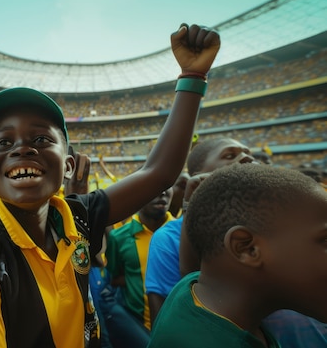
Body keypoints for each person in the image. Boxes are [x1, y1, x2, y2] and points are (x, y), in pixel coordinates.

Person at [0, 23, 221, 347]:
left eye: (40, 138)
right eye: (4, 142)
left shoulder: (76, 216)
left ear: (67, 166)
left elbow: (159, 173)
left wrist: (192, 77)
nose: (22, 148)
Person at [148, 164, 327, 347]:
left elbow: (190, 267)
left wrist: (190, 204)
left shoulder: (194, 289)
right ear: (247, 249)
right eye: (324, 241)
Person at [145, 137, 256, 326]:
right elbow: (163, 322)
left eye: (249, 153)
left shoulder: (271, 224)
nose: (246, 158)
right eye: (230, 155)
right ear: (198, 176)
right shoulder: (169, 239)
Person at [105, 187, 174, 337]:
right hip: (137, 329)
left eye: (168, 185)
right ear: (137, 196)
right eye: (156, 185)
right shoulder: (118, 237)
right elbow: (114, 278)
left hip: (178, 329)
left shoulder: (184, 232)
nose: (162, 192)